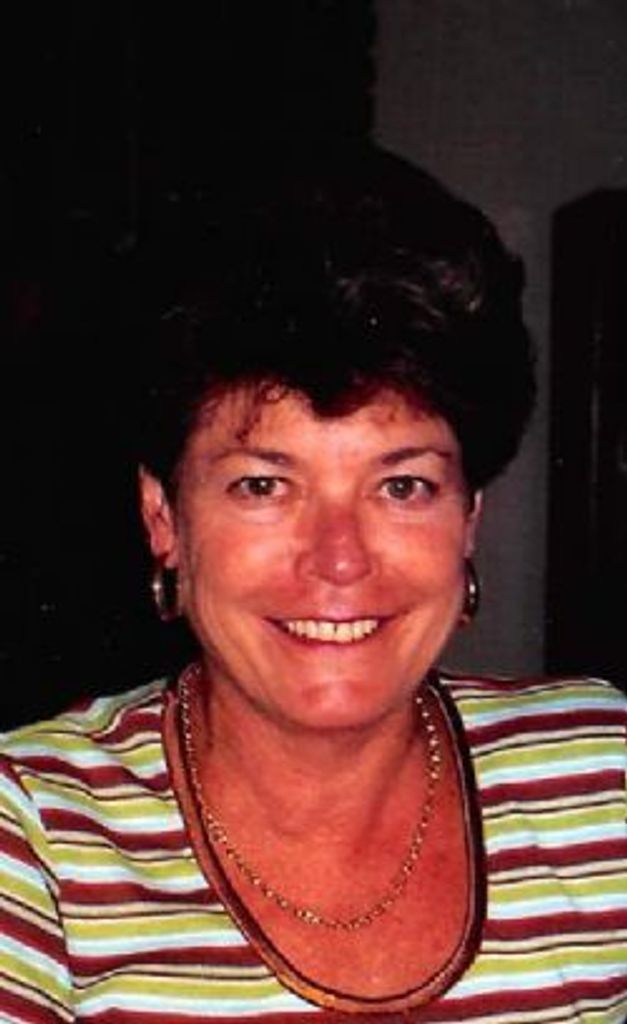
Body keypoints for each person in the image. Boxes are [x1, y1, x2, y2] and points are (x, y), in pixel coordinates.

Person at [0, 145, 625, 1023]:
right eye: (263, 485)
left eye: (401, 486)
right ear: (163, 517)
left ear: (468, 518)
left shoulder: (601, 775)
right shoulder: (34, 834)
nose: (338, 559)